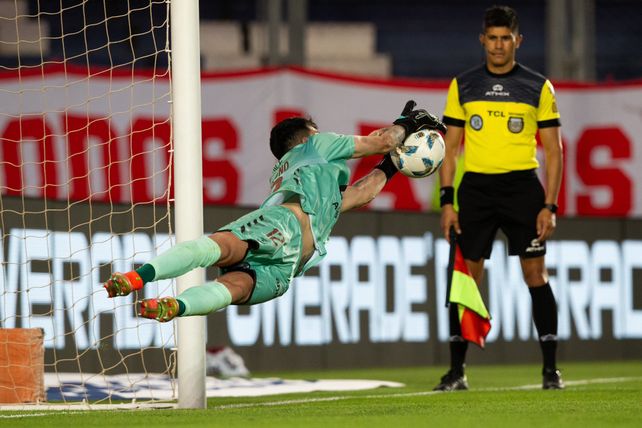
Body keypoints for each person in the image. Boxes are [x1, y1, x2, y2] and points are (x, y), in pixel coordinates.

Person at [104, 101, 447, 323]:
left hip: (289, 256)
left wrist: (392, 164)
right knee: (222, 255)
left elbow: (361, 193)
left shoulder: (312, 181)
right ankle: (142, 279)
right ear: (305, 138)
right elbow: (382, 140)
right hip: (285, 231)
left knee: (230, 277)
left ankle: (173, 305)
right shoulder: (316, 145)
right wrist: (408, 122)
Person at [435, 5, 564, 391]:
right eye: (492, 38)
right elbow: (451, 148)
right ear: (483, 40)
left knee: (535, 274)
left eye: (505, 38)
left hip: (523, 190)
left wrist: (550, 206)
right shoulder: (463, 85)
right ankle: (457, 372)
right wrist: (447, 202)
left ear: (517, 41)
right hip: (475, 190)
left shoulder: (539, 86)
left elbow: (554, 152)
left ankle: (550, 370)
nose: (498, 45)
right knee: (466, 279)